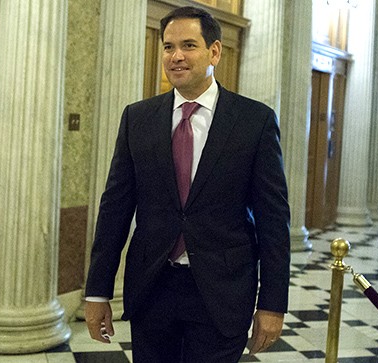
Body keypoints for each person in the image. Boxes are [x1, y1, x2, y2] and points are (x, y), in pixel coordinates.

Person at [83, 6, 291, 362]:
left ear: (214, 52)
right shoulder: (138, 118)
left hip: (222, 291)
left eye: (189, 45)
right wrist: (97, 292)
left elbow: (274, 220)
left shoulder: (253, 121)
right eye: (168, 47)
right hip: (153, 288)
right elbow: (115, 209)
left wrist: (272, 304)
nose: (176, 56)